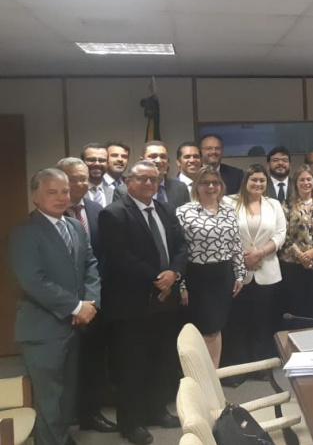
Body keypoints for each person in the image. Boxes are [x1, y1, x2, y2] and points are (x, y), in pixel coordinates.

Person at [8, 168, 101, 445]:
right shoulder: (24, 233)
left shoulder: (74, 225)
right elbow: (33, 282)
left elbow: (91, 266)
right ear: (35, 196)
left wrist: (90, 303)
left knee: (66, 396)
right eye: (52, 192)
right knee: (49, 399)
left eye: (65, 191)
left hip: (74, 326)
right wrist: (75, 307)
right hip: (42, 330)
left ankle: (58, 438)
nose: (61, 197)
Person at [99, 160, 187, 444]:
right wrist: (158, 278)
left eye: (154, 179)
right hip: (131, 304)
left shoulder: (163, 209)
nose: (149, 184)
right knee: (131, 365)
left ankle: (156, 410)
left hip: (165, 299)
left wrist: (173, 273)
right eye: (142, 179)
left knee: (161, 360)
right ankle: (130, 422)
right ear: (128, 181)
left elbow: (181, 246)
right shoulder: (113, 213)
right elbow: (118, 257)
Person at [56, 158, 117, 433]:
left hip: (95, 299)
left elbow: (101, 255)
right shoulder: (53, 211)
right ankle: (64, 417)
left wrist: (93, 298)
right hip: (62, 304)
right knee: (65, 365)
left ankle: (90, 412)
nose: (80, 183)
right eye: (73, 178)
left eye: (83, 178)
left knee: (93, 359)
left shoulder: (94, 209)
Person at [176, 166, 245, 368]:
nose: (211, 187)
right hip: (197, 277)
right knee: (204, 330)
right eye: (205, 183)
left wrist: (240, 275)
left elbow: (236, 245)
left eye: (215, 182)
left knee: (217, 328)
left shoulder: (229, 211)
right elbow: (179, 251)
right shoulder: (184, 212)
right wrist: (181, 285)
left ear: (221, 186)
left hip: (223, 276)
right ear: (197, 186)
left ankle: (214, 376)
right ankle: (202, 379)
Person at [223, 165, 286, 374]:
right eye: (254, 180)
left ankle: (261, 367)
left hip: (267, 270)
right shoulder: (228, 202)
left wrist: (259, 253)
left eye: (262, 181)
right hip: (237, 272)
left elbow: (280, 234)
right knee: (238, 321)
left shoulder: (273, 204)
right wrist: (242, 257)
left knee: (262, 320)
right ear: (245, 182)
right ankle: (239, 369)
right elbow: (223, 233)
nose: (258, 184)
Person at [277, 165, 313, 322]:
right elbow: (283, 234)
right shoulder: (286, 205)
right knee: (296, 307)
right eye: (302, 179)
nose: (306, 183)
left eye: (309, 179)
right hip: (293, 264)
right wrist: (300, 255)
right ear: (295, 183)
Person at [114, 141, 190, 209]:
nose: (158, 161)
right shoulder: (124, 191)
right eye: (153, 156)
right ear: (141, 161)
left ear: (168, 162)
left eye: (163, 157)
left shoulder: (180, 188)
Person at [81, 142, 110, 207]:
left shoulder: (114, 192)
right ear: (82, 162)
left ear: (107, 164)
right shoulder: (74, 192)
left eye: (102, 160)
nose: (97, 164)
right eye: (91, 160)